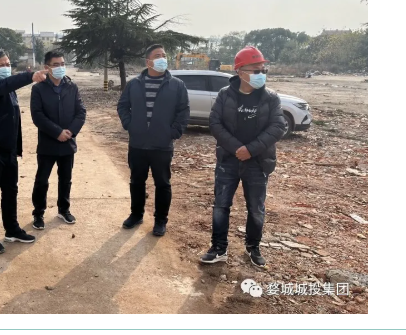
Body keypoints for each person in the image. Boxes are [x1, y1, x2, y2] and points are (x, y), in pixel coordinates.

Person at [200, 47, 286, 267]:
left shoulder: (271, 98)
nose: (261, 74)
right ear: (240, 71)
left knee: (256, 209)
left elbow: (278, 126)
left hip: (258, 163)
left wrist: (250, 150)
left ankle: (252, 247)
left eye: (263, 70)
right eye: (255, 70)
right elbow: (215, 123)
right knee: (221, 205)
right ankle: (219, 248)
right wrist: (237, 148)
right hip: (228, 161)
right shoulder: (225, 95)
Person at [0, 49, 47, 254]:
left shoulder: (8, 89)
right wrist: (29, 76)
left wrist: (16, 148)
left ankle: (12, 229)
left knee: (10, 192)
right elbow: (4, 85)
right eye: (1, 65)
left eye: (8, 64)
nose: (6, 68)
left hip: (8, 151)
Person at [116, 44, 189, 237]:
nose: (162, 58)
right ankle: (136, 214)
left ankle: (160, 220)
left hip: (162, 145)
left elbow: (183, 111)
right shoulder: (134, 84)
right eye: (157, 55)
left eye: (164, 55)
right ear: (148, 61)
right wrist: (130, 125)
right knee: (136, 181)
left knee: (163, 183)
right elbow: (123, 106)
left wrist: (173, 132)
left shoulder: (177, 85)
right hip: (138, 144)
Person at [30, 51, 86, 229]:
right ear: (47, 67)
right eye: (56, 64)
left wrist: (70, 131)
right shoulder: (38, 89)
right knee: (42, 180)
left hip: (68, 142)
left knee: (66, 179)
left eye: (62, 64)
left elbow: (81, 112)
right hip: (48, 143)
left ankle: (64, 209)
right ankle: (38, 213)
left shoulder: (71, 86)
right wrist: (56, 132)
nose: (60, 67)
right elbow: (37, 116)